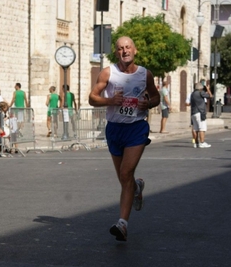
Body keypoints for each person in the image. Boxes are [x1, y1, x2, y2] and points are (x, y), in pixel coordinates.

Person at [88, 36, 160, 242]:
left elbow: (155, 97)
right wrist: (110, 100)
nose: (124, 51)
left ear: (135, 50)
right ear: (116, 52)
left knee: (126, 172)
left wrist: (149, 104)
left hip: (136, 128)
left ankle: (122, 224)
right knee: (123, 177)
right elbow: (92, 98)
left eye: (128, 47)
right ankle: (136, 187)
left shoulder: (145, 74)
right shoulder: (108, 73)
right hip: (114, 128)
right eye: (120, 48)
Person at [189, 82, 212, 148]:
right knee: (202, 128)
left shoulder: (192, 94)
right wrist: (208, 89)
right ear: (200, 88)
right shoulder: (200, 92)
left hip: (193, 113)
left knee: (195, 129)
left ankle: (196, 143)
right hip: (200, 112)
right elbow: (210, 96)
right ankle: (202, 142)